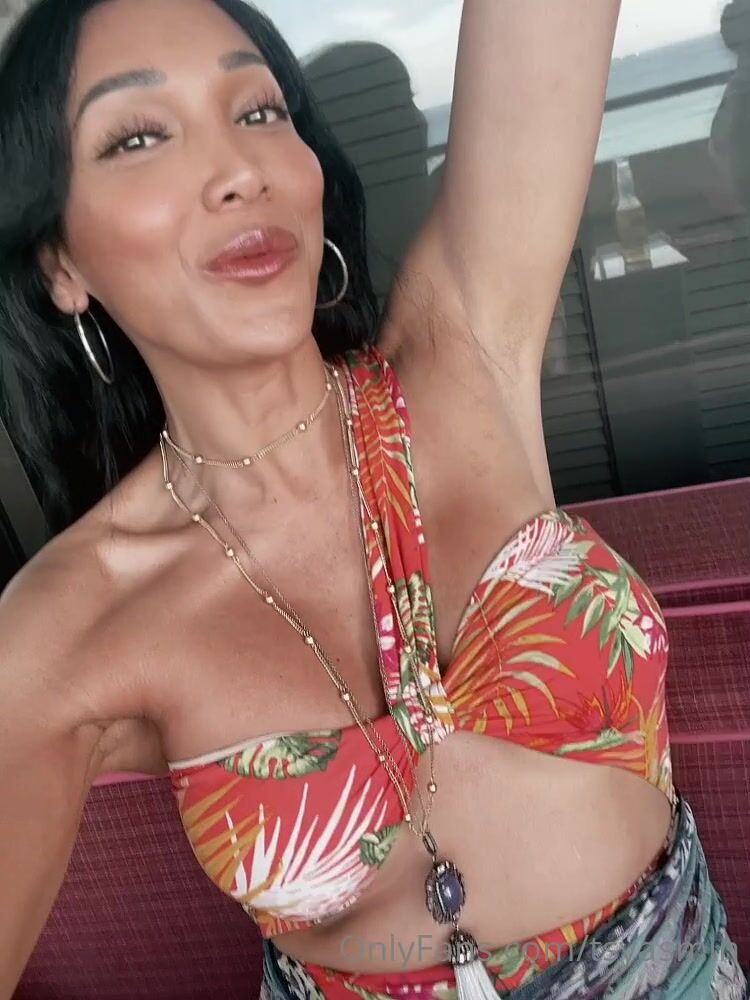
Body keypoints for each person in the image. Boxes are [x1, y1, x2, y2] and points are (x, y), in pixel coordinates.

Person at [0, 1, 745, 998]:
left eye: (259, 112)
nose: (239, 169)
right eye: (138, 137)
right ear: (61, 262)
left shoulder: (463, 356)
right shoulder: (69, 624)